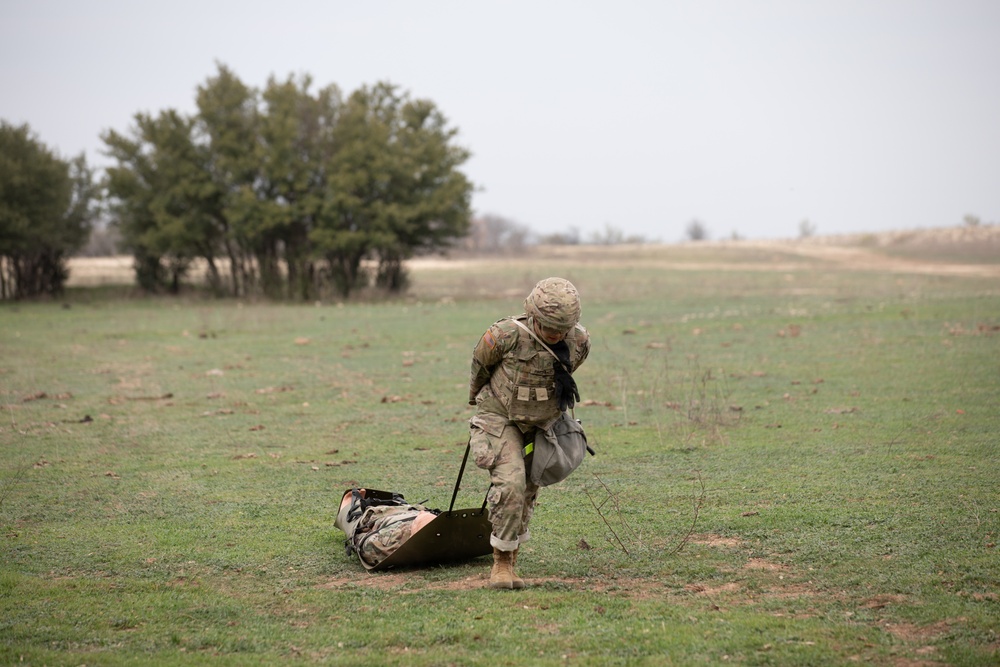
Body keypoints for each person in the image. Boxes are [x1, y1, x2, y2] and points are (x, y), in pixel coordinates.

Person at [468, 277, 591, 590]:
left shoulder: (579, 342)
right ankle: (501, 563)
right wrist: (481, 400)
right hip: (499, 416)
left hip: (541, 423)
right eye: (548, 326)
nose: (554, 334)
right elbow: (480, 367)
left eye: (560, 329)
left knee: (527, 489)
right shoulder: (504, 334)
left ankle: (512, 557)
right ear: (533, 315)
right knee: (510, 483)